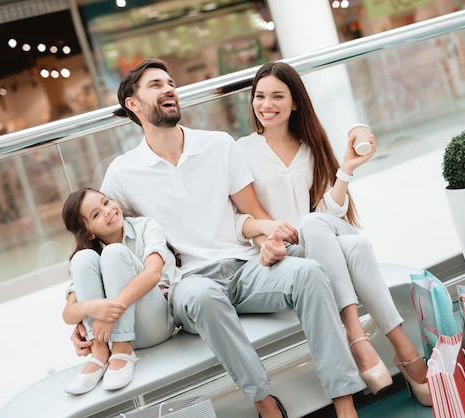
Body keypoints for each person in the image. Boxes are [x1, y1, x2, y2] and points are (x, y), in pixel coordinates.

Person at [70, 58, 364, 418]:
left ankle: (345, 403)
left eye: (170, 82)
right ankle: (265, 403)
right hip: (187, 284)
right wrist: (82, 314)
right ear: (133, 104)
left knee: (310, 273)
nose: (168, 89)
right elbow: (94, 244)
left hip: (245, 268)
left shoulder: (218, 145)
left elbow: (254, 214)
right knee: (204, 296)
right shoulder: (122, 173)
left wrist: (269, 240)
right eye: (155, 85)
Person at [236, 61, 431, 406]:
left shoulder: (310, 145)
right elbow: (243, 213)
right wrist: (266, 240)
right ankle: (405, 351)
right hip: (285, 255)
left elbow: (328, 213)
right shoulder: (241, 151)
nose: (266, 104)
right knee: (354, 245)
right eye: (260, 96)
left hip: (318, 237)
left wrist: (348, 169)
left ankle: (358, 339)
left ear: (296, 102)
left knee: (314, 222)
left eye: (277, 96)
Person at [61, 188, 180, 394]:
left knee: (114, 252)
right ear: (88, 232)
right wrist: (94, 308)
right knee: (81, 258)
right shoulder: (90, 254)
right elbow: (68, 314)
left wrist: (109, 315)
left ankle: (124, 350)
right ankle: (100, 355)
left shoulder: (146, 226)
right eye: (96, 214)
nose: (107, 211)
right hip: (109, 338)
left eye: (106, 202)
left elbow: (152, 274)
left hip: (155, 323)